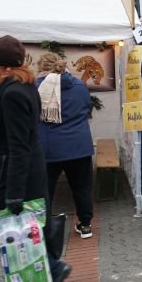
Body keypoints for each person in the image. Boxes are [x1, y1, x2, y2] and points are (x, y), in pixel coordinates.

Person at [0, 36, 71, 282]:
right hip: (14, 169)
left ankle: (52, 268)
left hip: (14, 173)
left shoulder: (14, 92)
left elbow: (19, 146)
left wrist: (14, 193)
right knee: (17, 234)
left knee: (17, 233)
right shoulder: (19, 86)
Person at [36, 52, 95, 239]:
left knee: (45, 190)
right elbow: (87, 108)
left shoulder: (36, 87)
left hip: (49, 147)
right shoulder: (79, 86)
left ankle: (43, 229)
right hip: (79, 144)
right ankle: (85, 225)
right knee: (82, 187)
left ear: (41, 68)